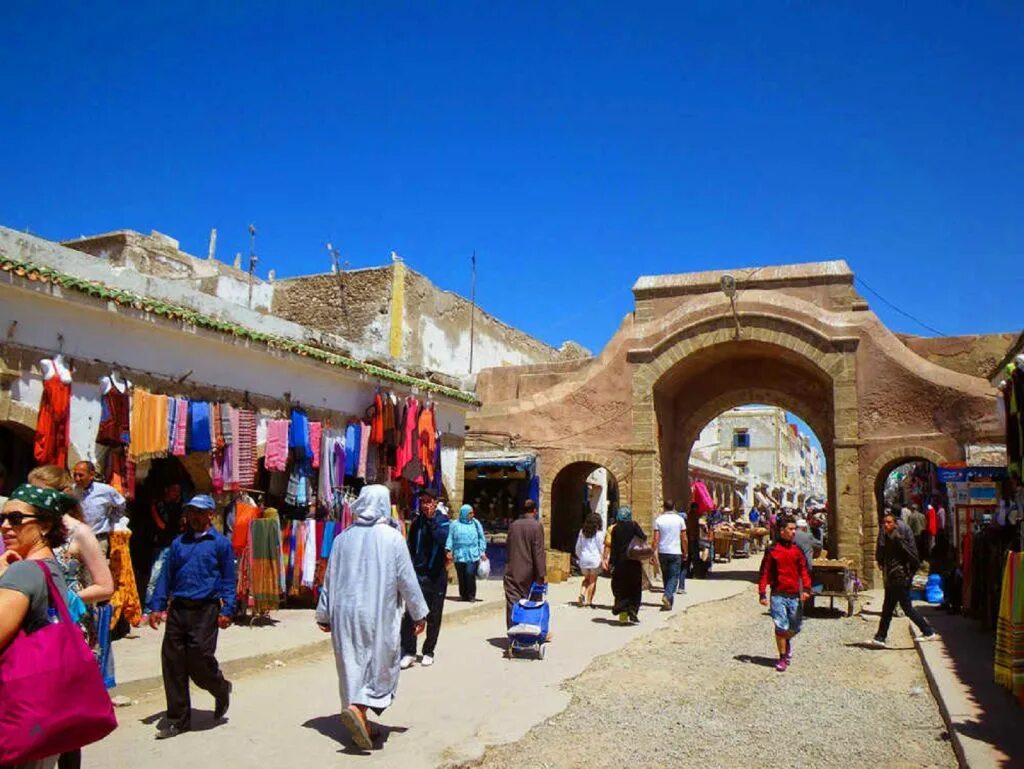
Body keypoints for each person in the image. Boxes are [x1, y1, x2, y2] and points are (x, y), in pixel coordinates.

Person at [315, 485, 428, 751]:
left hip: (344, 612)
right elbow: (407, 580)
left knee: (351, 663)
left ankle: (359, 716)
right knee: (379, 662)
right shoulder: (392, 538)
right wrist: (419, 613)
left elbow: (329, 579)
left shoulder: (342, 538)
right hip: (377, 612)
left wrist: (323, 612)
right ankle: (359, 707)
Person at [0, 484, 76, 769]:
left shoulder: (24, 571)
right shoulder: (49, 566)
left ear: (45, 525)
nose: (6, 526)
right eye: (3, 518)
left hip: (14, 712)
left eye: (16, 519)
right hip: (41, 712)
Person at [148, 495, 235, 740]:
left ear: (211, 515)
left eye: (199, 512)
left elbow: (229, 578)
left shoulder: (220, 544)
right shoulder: (178, 544)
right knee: (173, 662)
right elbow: (166, 576)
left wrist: (228, 609)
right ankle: (178, 720)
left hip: (206, 609)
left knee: (199, 657)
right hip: (179, 609)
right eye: (191, 512)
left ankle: (220, 687)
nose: (194, 517)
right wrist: (157, 606)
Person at [872, 511, 937, 648]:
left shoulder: (897, 538)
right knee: (889, 608)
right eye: (884, 522)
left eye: (889, 522)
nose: (886, 525)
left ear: (895, 524)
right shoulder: (888, 536)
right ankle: (880, 637)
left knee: (905, 608)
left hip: (899, 577)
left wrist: (910, 573)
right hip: (892, 576)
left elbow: (912, 556)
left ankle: (928, 631)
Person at [400, 490, 449, 669]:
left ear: (435, 502)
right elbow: (411, 547)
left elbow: (443, 539)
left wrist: (431, 521)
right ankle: (409, 651)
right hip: (418, 575)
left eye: (428, 501)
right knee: (411, 614)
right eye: (422, 501)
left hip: (436, 576)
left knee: (434, 616)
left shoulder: (442, 521)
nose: (425, 505)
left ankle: (428, 651)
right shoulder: (416, 523)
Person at [758, 517, 811, 672]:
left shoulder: (797, 551)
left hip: (794, 595)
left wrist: (807, 589)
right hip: (778, 595)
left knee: (796, 626)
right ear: (782, 531)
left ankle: (785, 642)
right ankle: (782, 657)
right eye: (791, 529)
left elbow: (803, 571)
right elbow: (765, 573)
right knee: (781, 626)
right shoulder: (772, 550)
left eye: (795, 529)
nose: (794, 532)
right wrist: (762, 593)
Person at [503, 499, 546, 628]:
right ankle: (530, 632)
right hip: (529, 572)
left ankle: (513, 631)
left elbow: (509, 547)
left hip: (513, 570)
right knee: (532, 602)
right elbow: (538, 551)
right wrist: (541, 574)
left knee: (513, 603)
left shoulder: (513, 525)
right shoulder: (537, 526)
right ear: (535, 511)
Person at [603, 506, 646, 625]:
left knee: (620, 589)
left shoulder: (615, 529)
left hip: (619, 563)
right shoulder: (633, 526)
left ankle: (622, 615)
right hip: (633, 562)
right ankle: (632, 609)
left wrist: (611, 562)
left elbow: (614, 548)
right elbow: (643, 538)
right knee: (635, 588)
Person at [72, 461, 125, 556]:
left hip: (98, 541)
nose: (77, 479)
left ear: (91, 475)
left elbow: (120, 504)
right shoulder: (71, 491)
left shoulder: (105, 490)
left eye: (81, 475)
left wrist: (112, 520)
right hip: (77, 541)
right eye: (75, 475)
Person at [446, 504, 487, 602]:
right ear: (464, 514)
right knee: (461, 575)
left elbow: (481, 538)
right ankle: (463, 595)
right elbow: (450, 537)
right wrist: (448, 549)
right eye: (470, 513)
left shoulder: (475, 523)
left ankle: (471, 595)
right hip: (459, 554)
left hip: (472, 554)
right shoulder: (455, 524)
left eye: (472, 513)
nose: (472, 515)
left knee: (469, 573)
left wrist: (482, 551)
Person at [652, 500, 687, 610]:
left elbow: (655, 539)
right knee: (674, 577)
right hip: (675, 552)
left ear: (664, 507)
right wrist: (686, 551)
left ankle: (669, 602)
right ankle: (667, 596)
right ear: (674, 507)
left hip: (663, 552)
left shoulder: (659, 520)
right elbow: (684, 538)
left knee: (666, 576)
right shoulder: (680, 519)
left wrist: (653, 553)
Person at [574, 511, 604, 607]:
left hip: (584, 559)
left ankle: (581, 594)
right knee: (592, 581)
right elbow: (601, 548)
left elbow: (578, 547)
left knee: (586, 579)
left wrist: (579, 556)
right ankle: (588, 601)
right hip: (595, 560)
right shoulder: (599, 534)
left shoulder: (582, 532)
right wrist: (604, 558)